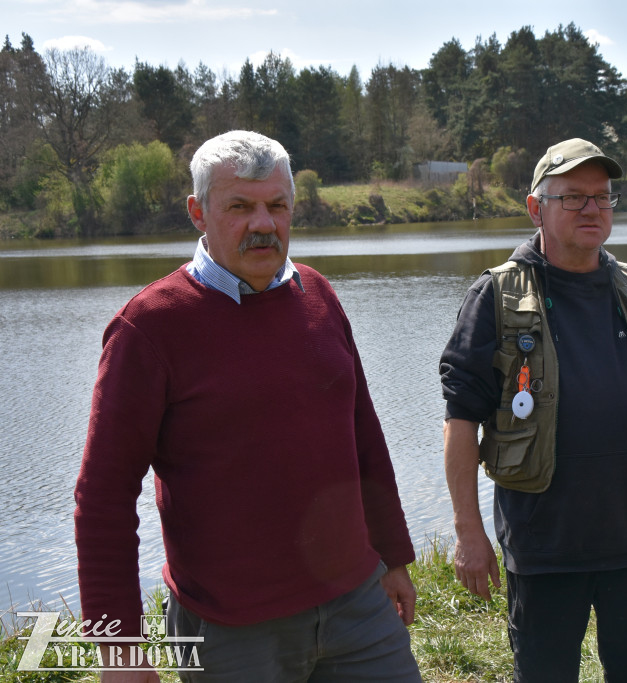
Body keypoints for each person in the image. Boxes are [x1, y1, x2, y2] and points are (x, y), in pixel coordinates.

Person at [74, 130, 422, 682]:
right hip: (225, 631)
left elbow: (364, 437)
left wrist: (393, 555)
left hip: (358, 607)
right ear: (198, 211)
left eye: (276, 206)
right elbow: (103, 499)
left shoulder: (319, 295)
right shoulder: (148, 327)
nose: (263, 224)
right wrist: (118, 648)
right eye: (240, 207)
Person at [439, 138, 627, 681]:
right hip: (544, 548)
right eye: (573, 198)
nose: (592, 209)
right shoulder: (494, 296)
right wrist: (469, 531)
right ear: (536, 207)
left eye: (602, 197)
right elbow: (460, 419)